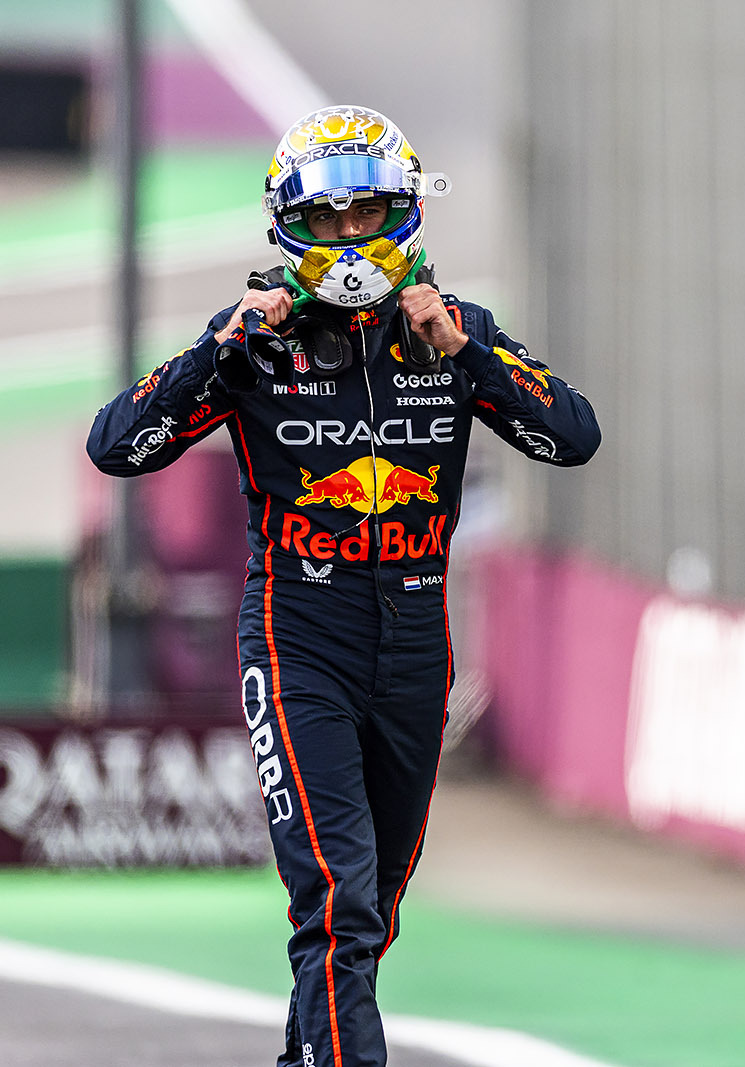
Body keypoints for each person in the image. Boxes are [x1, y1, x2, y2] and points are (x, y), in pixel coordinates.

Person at [86, 105, 600, 1067]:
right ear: (290, 224)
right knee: (338, 897)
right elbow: (116, 446)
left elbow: (573, 438)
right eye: (328, 219)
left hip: (416, 638)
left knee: (375, 907)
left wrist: (468, 353)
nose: (352, 236)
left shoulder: (455, 333)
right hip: (298, 631)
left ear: (406, 212)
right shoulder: (253, 340)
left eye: (369, 213)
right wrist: (215, 355)